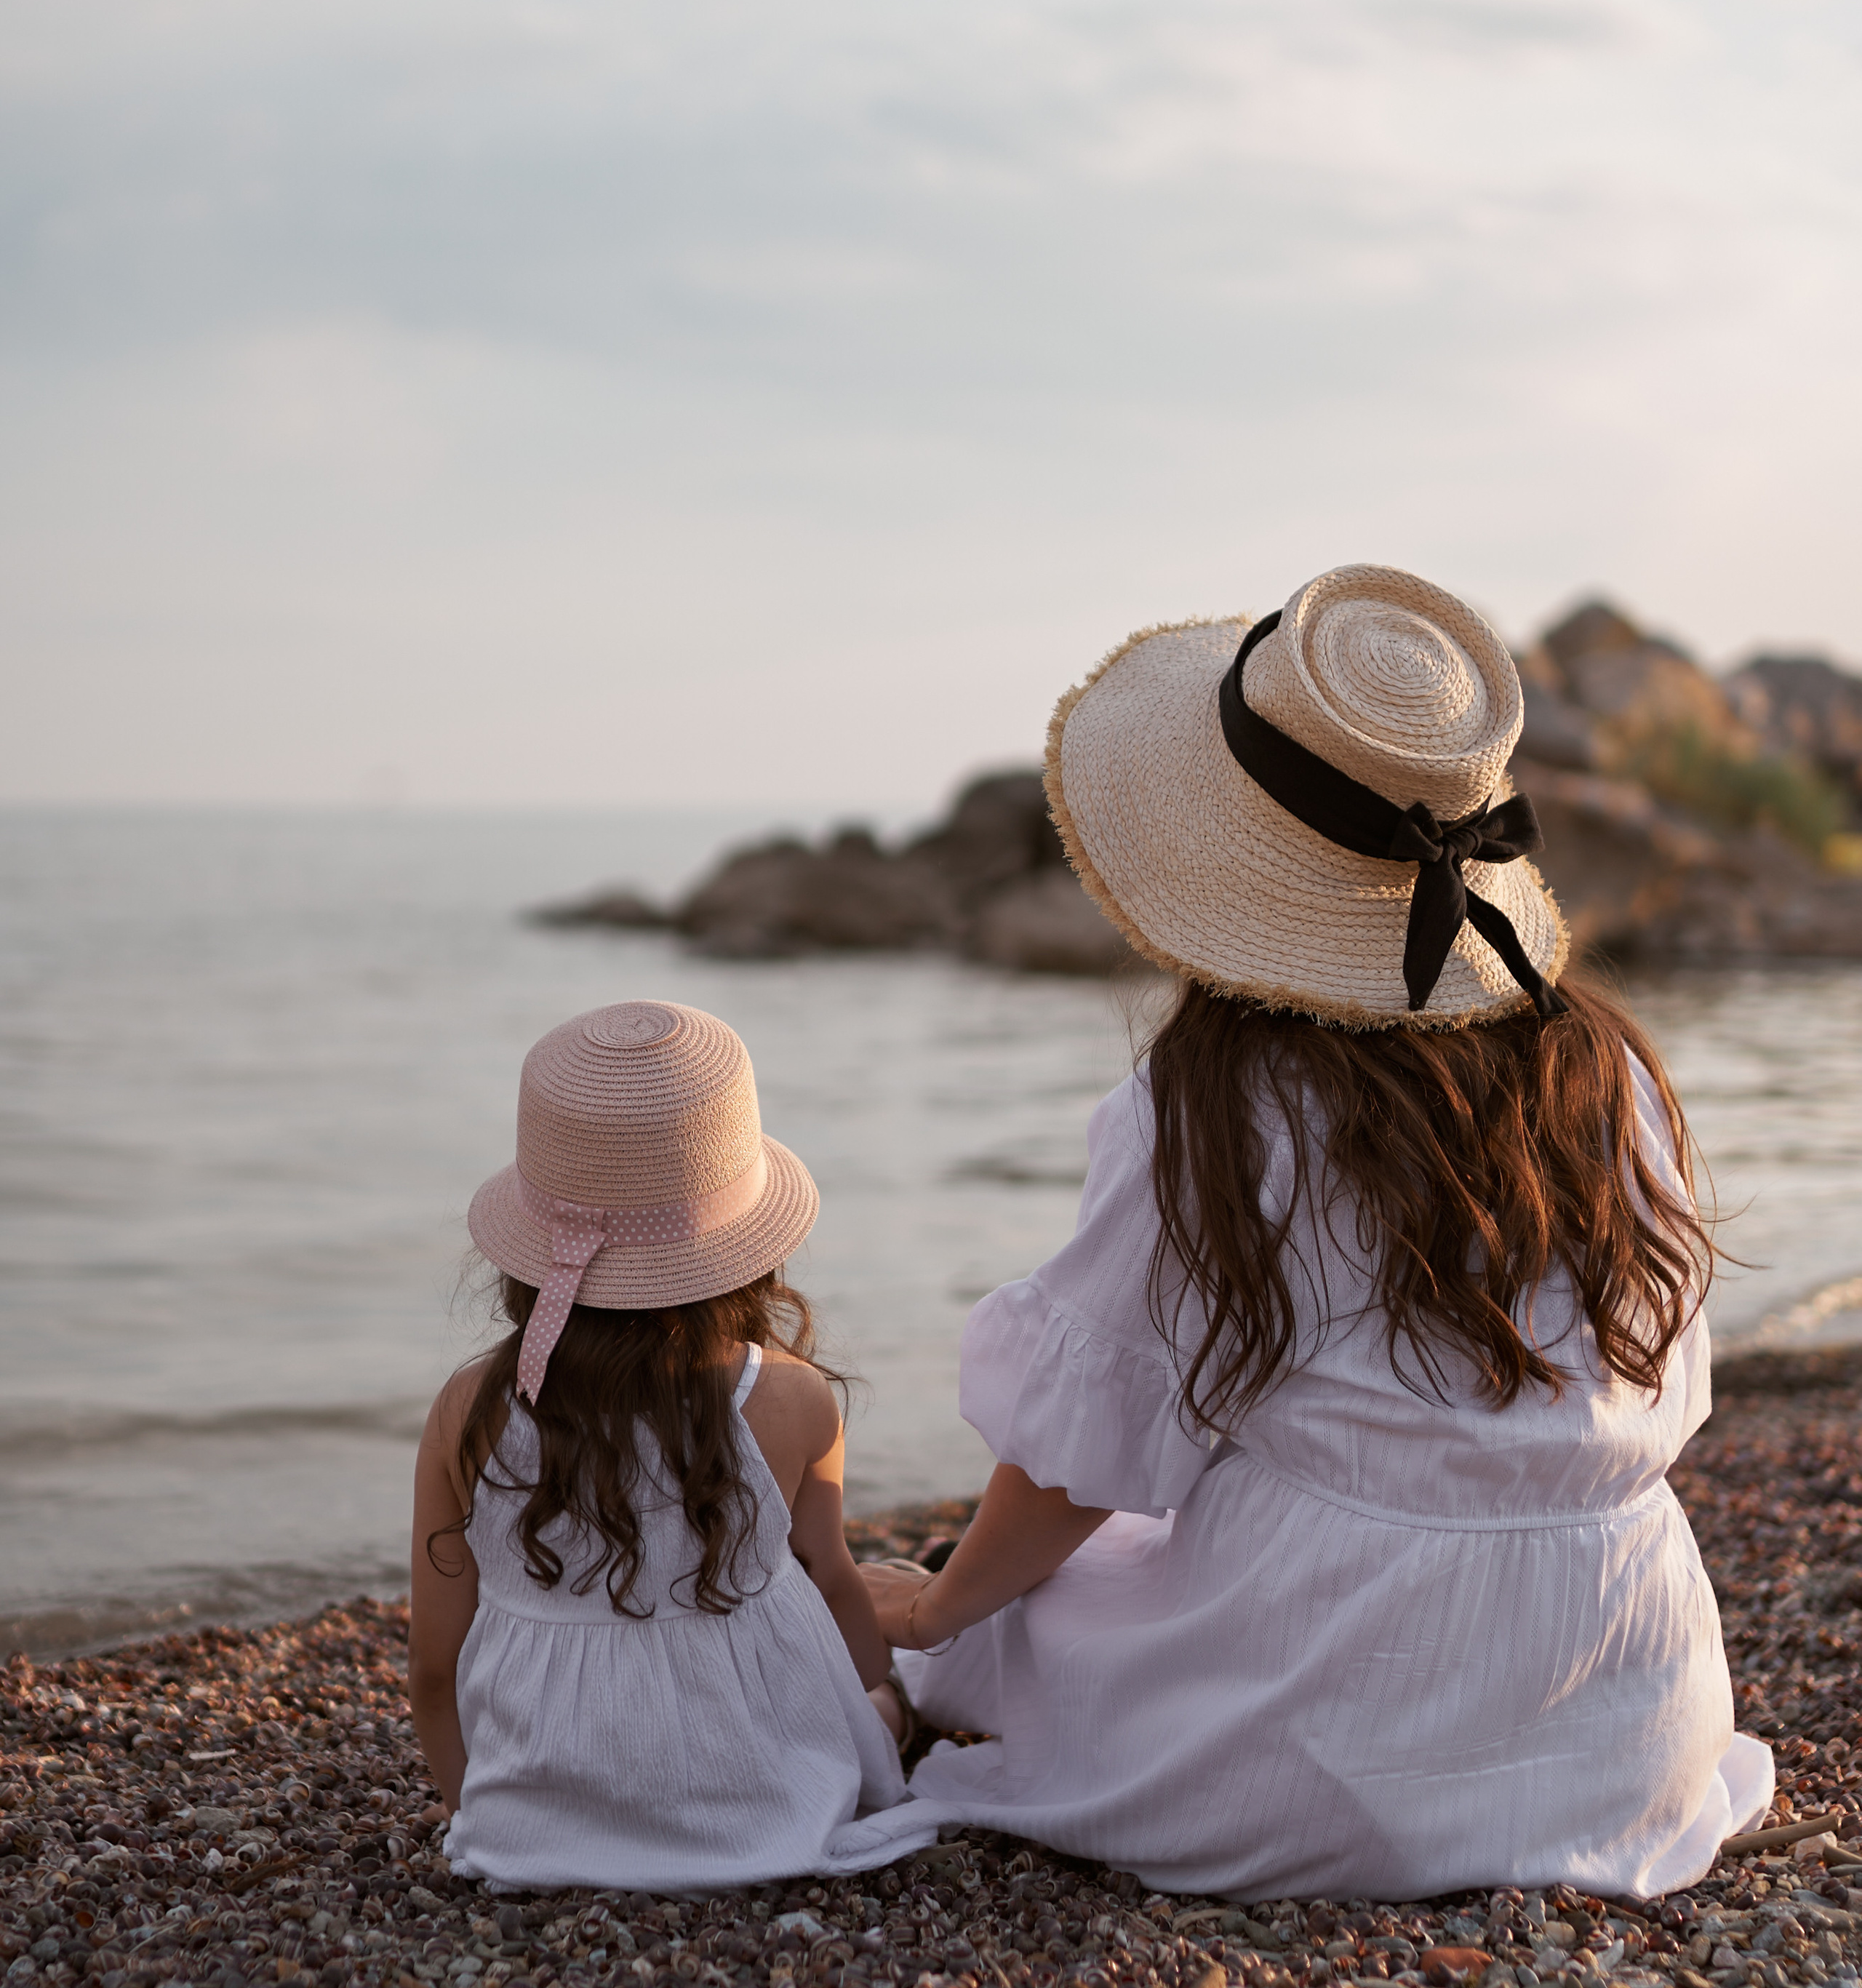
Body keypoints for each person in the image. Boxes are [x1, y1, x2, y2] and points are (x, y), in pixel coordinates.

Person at [866, 562, 1773, 1899]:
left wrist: (944, 1613)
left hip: (1329, 1722)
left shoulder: (1222, 1104)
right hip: (1621, 1702)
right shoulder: (1607, 1069)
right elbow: (1663, 1381)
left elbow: (1089, 1448)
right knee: (1086, 1587)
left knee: (1006, 1618)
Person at [409, 998, 938, 1891]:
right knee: (893, 1699)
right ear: (747, 1247)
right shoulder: (794, 1399)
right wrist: (875, 1709)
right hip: (767, 1791)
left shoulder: (472, 1408)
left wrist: (476, 1814)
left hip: (531, 1826)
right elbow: (835, 1582)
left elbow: (434, 1664)